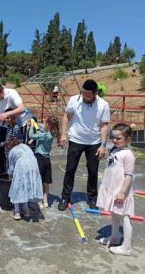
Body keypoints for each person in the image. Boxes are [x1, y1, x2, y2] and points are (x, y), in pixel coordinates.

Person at [58, 79, 110, 211]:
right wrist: (63, 134)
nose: (85, 97)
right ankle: (65, 197)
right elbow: (66, 116)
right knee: (70, 170)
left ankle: (92, 198)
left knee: (93, 172)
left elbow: (104, 126)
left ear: (95, 93)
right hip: (76, 140)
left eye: (88, 95)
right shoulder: (74, 100)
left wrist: (103, 145)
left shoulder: (103, 105)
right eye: (83, 93)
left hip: (94, 142)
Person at [97, 123, 135, 256]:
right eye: (113, 137)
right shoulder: (114, 150)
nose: (115, 140)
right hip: (111, 188)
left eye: (119, 138)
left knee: (125, 216)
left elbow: (128, 175)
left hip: (121, 191)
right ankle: (115, 236)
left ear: (128, 139)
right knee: (114, 213)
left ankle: (126, 247)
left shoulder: (128, 154)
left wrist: (122, 192)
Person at [6, 134, 43, 221]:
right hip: (34, 166)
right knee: (26, 187)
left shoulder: (12, 151)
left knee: (17, 188)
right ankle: (26, 211)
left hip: (22, 166)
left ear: (10, 146)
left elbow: (11, 168)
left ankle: (17, 212)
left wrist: (10, 177)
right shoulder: (25, 145)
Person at [28, 115, 60, 209]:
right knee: (46, 182)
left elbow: (31, 135)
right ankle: (45, 201)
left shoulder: (44, 135)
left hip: (39, 159)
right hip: (47, 159)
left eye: (45, 122)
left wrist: (31, 126)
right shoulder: (52, 133)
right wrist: (35, 123)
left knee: (39, 181)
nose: (43, 124)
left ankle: (39, 201)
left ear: (48, 124)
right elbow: (41, 127)